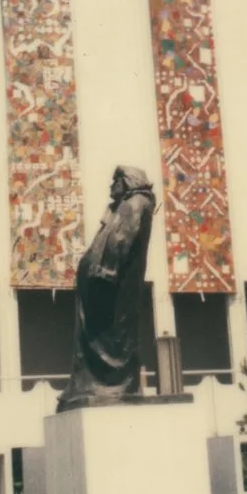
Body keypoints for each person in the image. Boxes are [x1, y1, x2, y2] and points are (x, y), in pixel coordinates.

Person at [57, 167, 155, 413]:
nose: (111, 185)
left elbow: (119, 239)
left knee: (113, 336)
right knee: (92, 335)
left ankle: (109, 384)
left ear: (127, 182)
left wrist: (105, 271)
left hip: (111, 285)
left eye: (116, 181)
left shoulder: (135, 203)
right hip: (100, 283)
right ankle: (86, 383)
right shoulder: (122, 205)